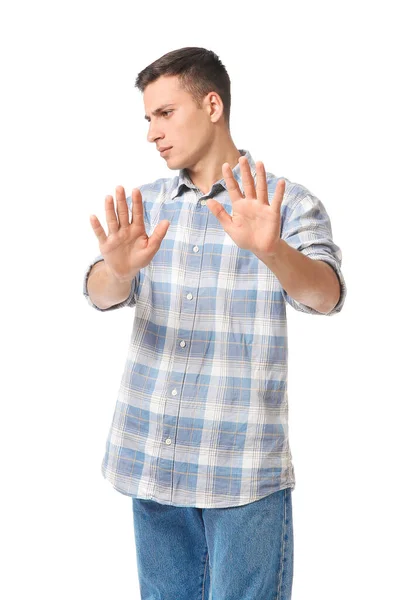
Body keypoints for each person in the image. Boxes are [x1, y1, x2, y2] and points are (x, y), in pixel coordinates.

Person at [83, 47, 347, 600]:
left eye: (165, 113)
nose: (152, 133)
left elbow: (325, 296)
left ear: (212, 104)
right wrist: (117, 269)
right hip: (150, 459)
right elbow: (98, 294)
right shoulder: (146, 207)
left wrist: (273, 250)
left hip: (243, 469)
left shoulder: (284, 204)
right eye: (147, 118)